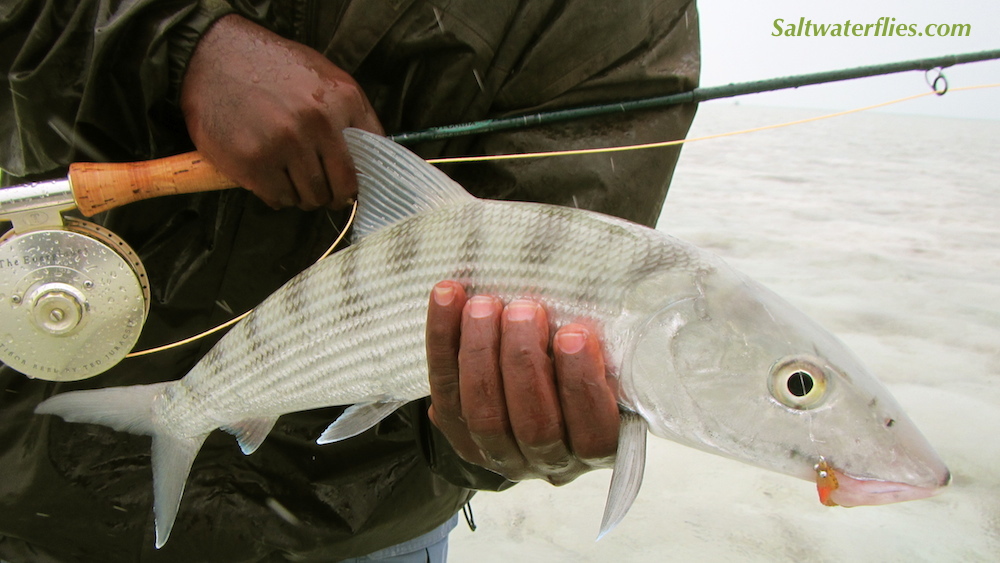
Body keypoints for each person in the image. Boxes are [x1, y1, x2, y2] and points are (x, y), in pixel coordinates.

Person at [0, 1, 700, 561]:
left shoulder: (629, 18)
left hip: (360, 528)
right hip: (26, 479)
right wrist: (179, 39)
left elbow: (545, 313)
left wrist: (498, 435)